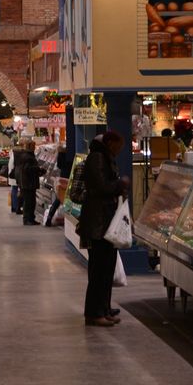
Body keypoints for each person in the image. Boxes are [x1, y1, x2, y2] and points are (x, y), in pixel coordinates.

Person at [76, 131, 127, 327]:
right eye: (118, 145)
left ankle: (103, 309)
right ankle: (94, 313)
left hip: (104, 221)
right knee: (99, 272)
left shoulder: (104, 157)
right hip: (98, 223)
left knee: (106, 270)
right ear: (110, 143)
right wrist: (120, 184)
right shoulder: (97, 158)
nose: (120, 149)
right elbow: (102, 187)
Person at [21, 142, 42, 225]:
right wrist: (38, 169)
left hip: (27, 182)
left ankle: (28, 219)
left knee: (28, 201)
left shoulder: (26, 155)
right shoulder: (29, 157)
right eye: (34, 146)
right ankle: (29, 219)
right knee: (30, 202)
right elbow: (28, 169)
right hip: (29, 183)